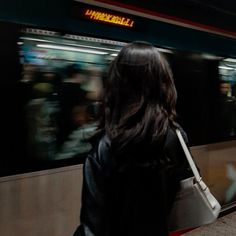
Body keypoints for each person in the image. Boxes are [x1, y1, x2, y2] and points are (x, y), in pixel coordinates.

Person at [73, 41, 193, 236]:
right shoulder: (176, 137)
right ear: (162, 83)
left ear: (117, 84)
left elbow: (92, 226)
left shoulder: (105, 147)